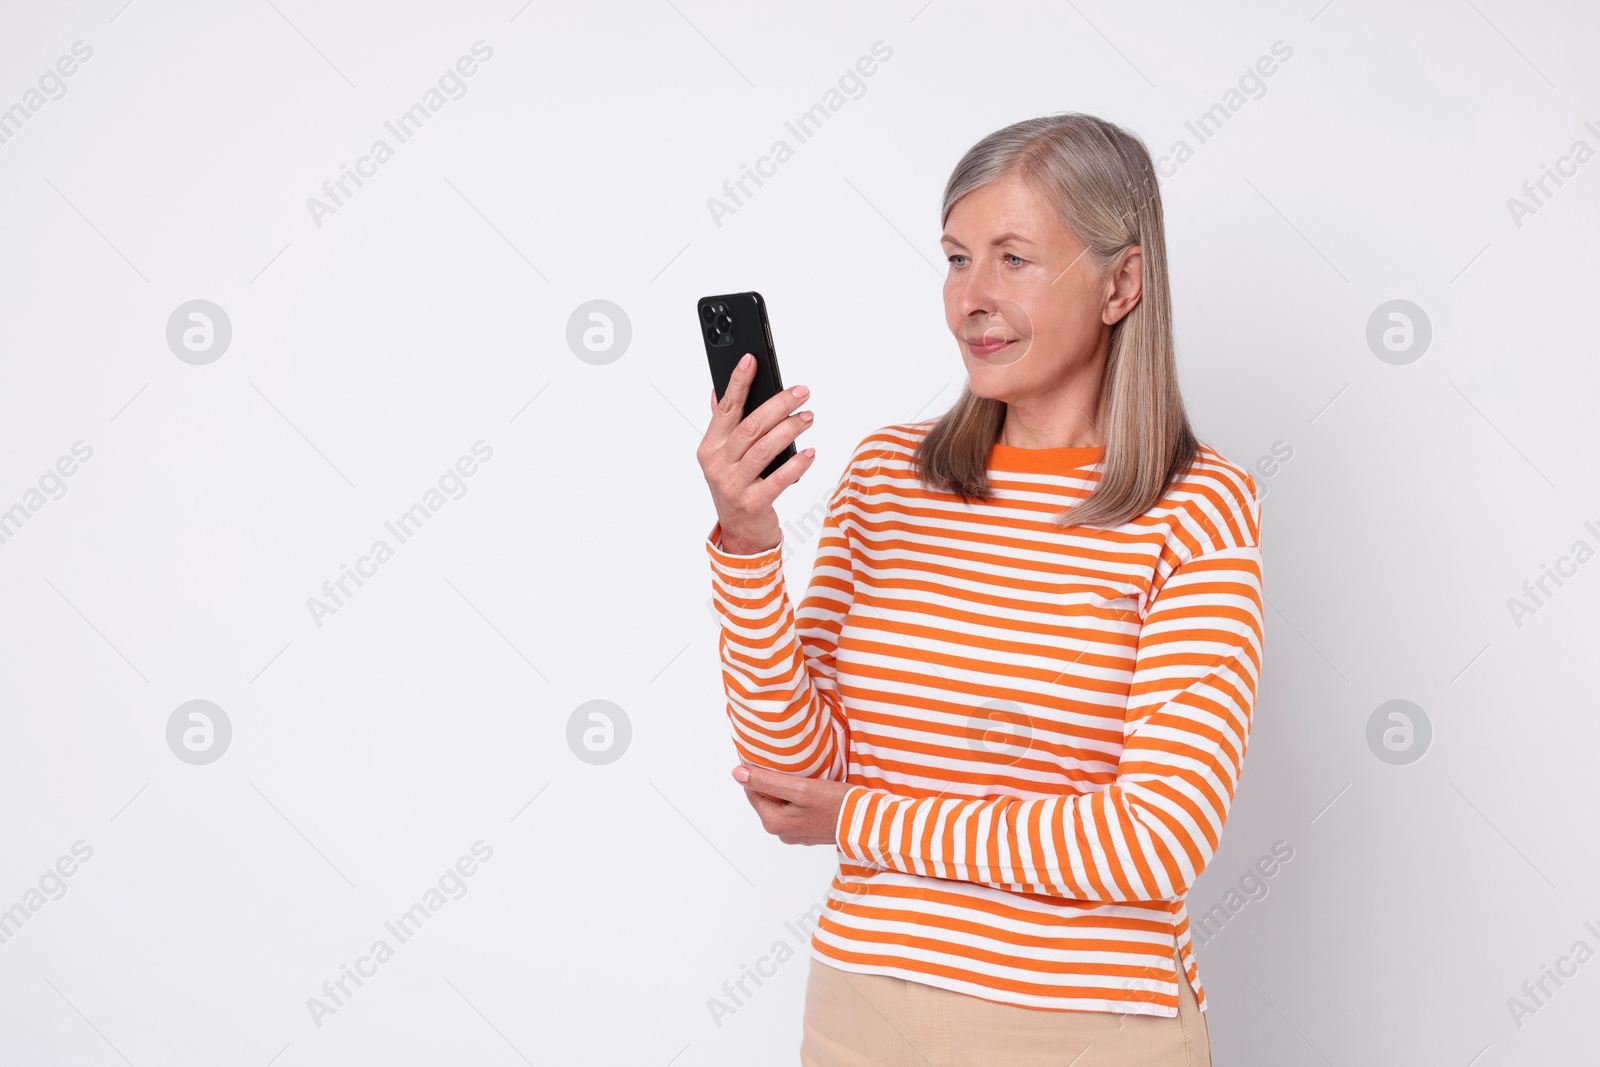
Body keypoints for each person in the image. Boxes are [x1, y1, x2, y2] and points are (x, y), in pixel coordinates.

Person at [696, 112, 1263, 1067]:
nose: (972, 300)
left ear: (1122, 282)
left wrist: (864, 819)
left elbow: (1151, 841)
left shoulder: (1198, 508)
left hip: (1088, 1031)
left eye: (1014, 260)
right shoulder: (885, 477)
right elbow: (795, 772)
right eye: (958, 259)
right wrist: (749, 547)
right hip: (861, 1012)